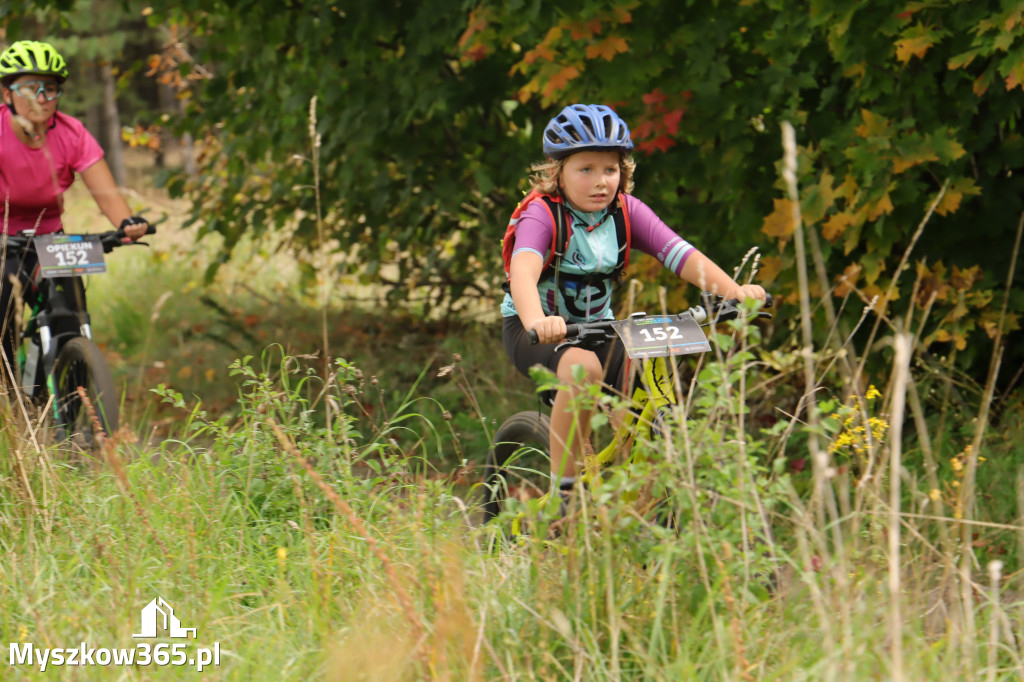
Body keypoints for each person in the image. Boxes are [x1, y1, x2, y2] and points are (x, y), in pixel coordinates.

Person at [501, 103, 766, 504]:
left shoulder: (625, 212)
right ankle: (563, 498)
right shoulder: (543, 216)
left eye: (610, 169)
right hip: (535, 330)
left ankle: (639, 493)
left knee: (649, 375)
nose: (600, 181)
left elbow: (680, 254)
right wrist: (539, 319)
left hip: (600, 327)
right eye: (585, 169)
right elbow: (522, 272)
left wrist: (734, 291)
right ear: (558, 174)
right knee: (582, 368)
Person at [0, 39, 149, 379]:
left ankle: (72, 389)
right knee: (3, 310)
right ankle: (9, 399)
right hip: (3, 235)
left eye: (50, 89)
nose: (41, 98)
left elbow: (106, 192)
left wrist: (126, 222)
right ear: (7, 93)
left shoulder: (72, 133)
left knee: (72, 314)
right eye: (29, 88)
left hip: (51, 237)